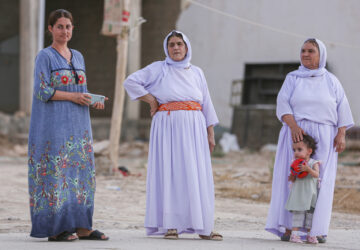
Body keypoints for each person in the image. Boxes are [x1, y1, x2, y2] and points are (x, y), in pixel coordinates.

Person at [123, 30, 222, 240]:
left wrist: (210, 132)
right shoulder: (159, 69)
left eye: (179, 44)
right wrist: (151, 100)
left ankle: (203, 226)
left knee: (196, 173)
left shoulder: (197, 72)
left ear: (186, 47)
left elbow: (206, 102)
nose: (176, 48)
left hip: (195, 126)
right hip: (168, 125)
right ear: (166, 49)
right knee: (171, 172)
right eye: (172, 45)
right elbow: (130, 81)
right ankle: (171, 225)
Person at [28, 9, 108, 241]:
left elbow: (79, 90)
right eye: (60, 26)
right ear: (51, 29)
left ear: (73, 29)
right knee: (57, 172)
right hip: (53, 125)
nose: (65, 31)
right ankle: (55, 229)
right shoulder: (45, 56)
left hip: (79, 125)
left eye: (68, 27)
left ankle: (83, 226)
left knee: (80, 173)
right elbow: (42, 91)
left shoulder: (79, 56)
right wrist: (74, 97)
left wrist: (92, 100)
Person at [265, 38, 354, 243]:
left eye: (311, 51)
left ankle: (317, 229)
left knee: (320, 179)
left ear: (320, 54)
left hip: (325, 135)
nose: (305, 54)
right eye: (303, 50)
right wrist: (294, 126)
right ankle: (289, 226)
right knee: (294, 177)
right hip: (296, 135)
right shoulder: (293, 78)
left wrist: (341, 134)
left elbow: (343, 108)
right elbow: (283, 104)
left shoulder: (331, 80)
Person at [286, 135, 320, 244]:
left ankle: (310, 235)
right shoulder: (295, 164)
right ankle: (294, 235)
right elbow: (294, 176)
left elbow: (316, 175)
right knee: (298, 214)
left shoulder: (313, 162)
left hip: (310, 194)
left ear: (309, 151)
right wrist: (292, 177)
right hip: (299, 194)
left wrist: (308, 169)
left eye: (299, 149)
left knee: (310, 215)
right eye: (294, 150)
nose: (296, 152)